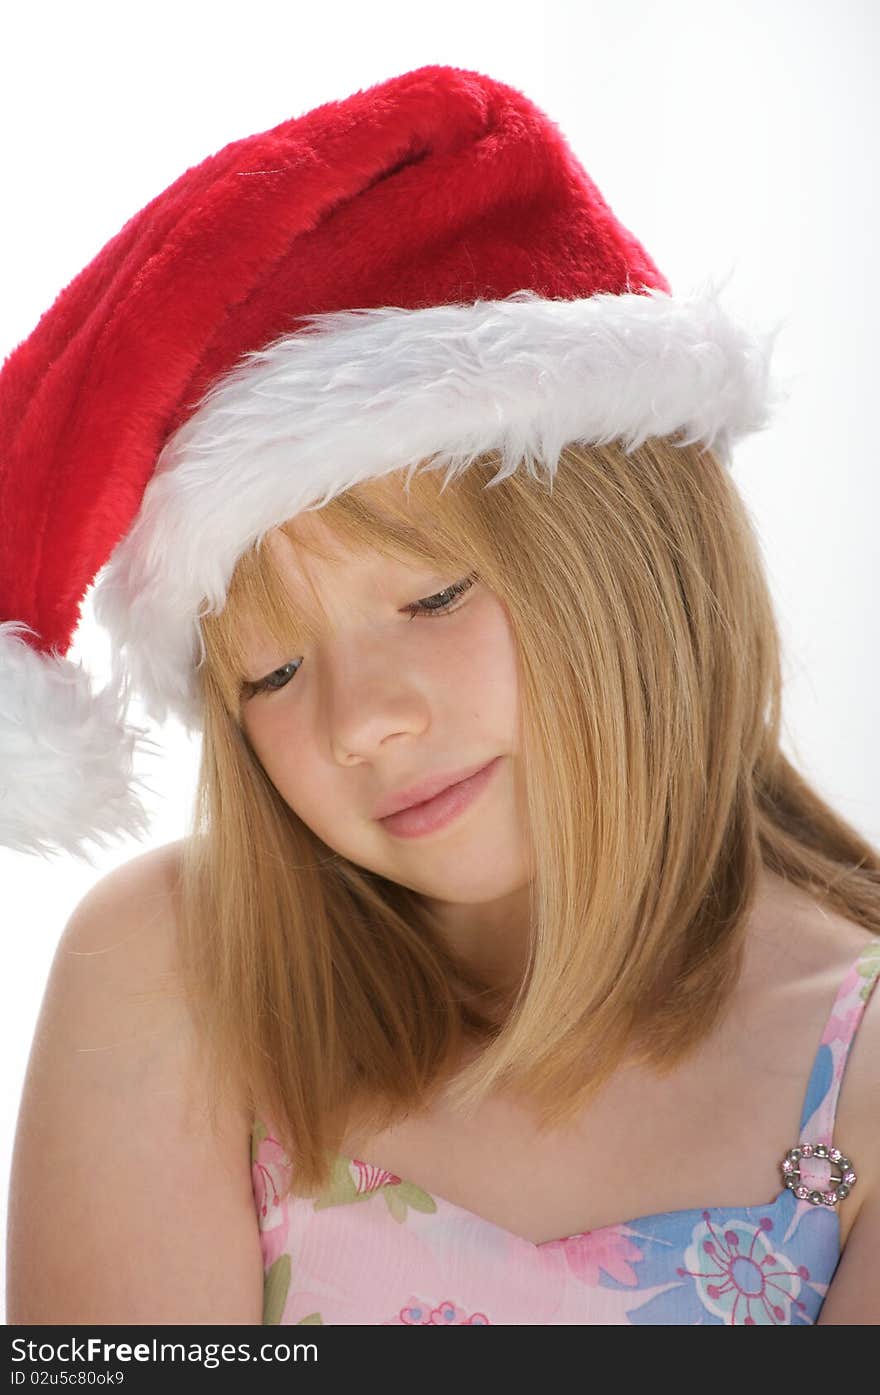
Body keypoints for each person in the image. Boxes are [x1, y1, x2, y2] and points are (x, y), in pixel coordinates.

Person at [2, 64, 878, 1328]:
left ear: (636, 554)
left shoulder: (848, 1079)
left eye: (431, 599)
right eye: (273, 673)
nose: (362, 722)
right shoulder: (178, 975)